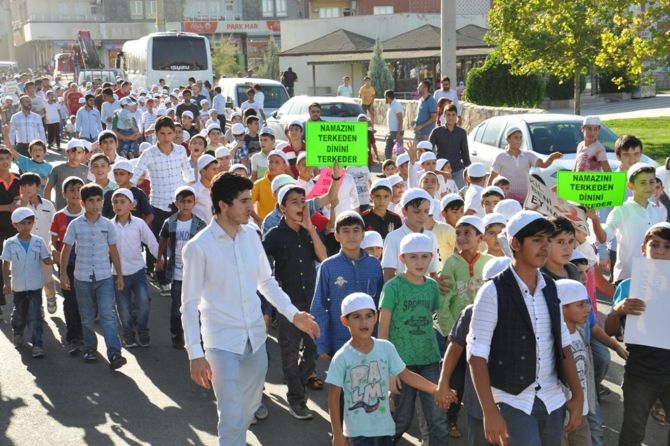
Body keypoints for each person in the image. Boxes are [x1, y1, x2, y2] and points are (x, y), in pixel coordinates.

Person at [181, 172, 320, 445]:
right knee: (232, 414)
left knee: (247, 409)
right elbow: (188, 305)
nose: (251, 207)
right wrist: (195, 353)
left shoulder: (251, 236)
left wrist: (294, 315)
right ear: (223, 205)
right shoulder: (198, 247)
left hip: (256, 341)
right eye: (244, 201)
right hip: (222, 344)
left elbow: (266, 282)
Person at [467, 210, 584, 446]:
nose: (544, 247)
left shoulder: (551, 287)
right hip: (512, 400)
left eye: (547, 240)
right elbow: (476, 355)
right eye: (536, 240)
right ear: (515, 244)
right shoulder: (492, 292)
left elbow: (564, 345)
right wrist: (489, 411)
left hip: (553, 398)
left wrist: (578, 396)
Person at [327, 292, 455, 446]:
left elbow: (407, 375)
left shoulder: (385, 348)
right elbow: (334, 398)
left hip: (385, 430)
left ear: (375, 318)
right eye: (356, 317)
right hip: (357, 433)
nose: (364, 322)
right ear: (344, 320)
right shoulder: (342, 357)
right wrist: (337, 434)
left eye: (368, 315)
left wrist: (436, 390)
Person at [378, 233, 452, 443]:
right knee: (401, 420)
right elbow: (383, 330)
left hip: (429, 360)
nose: (419, 262)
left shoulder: (431, 286)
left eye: (424, 256)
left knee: (438, 420)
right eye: (413, 257)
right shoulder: (392, 287)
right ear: (402, 259)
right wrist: (389, 370)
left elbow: (436, 319)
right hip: (401, 364)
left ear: (431, 258)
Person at [263, 184, 328, 419]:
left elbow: (324, 258)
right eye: (294, 202)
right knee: (289, 352)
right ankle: (296, 399)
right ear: (282, 207)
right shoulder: (274, 235)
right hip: (287, 304)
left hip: (311, 300)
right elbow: (260, 265)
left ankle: (298, 384)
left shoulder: (309, 231)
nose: (301, 206)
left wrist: (311, 230)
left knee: (314, 348)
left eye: (303, 200)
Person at [604, 222, 670, 446]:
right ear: (644, 248)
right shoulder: (628, 286)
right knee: (633, 432)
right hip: (641, 372)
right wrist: (618, 309)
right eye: (655, 245)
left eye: (668, 246)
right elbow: (610, 330)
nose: (661, 251)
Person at [59, 183, 127, 370]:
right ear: (83, 202)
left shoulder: (108, 225)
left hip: (105, 277)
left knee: (107, 314)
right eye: (91, 201)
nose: (95, 204)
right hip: (81, 277)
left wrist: (119, 275)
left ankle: (115, 353)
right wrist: (63, 273)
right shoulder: (75, 225)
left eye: (99, 200)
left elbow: (114, 251)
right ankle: (90, 348)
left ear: (103, 201)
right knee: (87, 316)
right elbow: (66, 249)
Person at [310, 211, 384, 359]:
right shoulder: (328, 266)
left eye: (356, 231)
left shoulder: (374, 264)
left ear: (363, 235)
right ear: (336, 235)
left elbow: (381, 304)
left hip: (372, 340)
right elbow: (319, 306)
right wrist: (322, 343)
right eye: (346, 231)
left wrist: (383, 337)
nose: (351, 236)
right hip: (340, 341)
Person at [592, 162, 667, 284]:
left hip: (653, 277)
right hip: (626, 277)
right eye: (642, 182)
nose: (648, 186)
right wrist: (595, 220)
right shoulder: (621, 210)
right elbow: (603, 237)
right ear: (630, 186)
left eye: (652, 182)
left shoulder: (659, 210)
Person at [156, 186, 207, 348]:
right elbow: (163, 240)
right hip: (177, 271)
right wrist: (159, 259)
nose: (185, 205)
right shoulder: (170, 222)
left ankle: (197, 336)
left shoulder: (200, 224)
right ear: (176, 202)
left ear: (194, 203)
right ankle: (177, 334)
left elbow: (206, 245)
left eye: (189, 201)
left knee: (198, 306)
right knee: (177, 307)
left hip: (195, 272)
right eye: (182, 201)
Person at [111, 188, 159, 348]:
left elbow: (151, 242)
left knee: (144, 301)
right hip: (118, 274)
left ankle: (143, 330)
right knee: (123, 307)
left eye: (123, 202)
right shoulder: (109, 226)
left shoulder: (139, 224)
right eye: (115, 202)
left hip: (138, 271)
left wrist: (160, 259)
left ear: (132, 205)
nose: (118, 205)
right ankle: (128, 333)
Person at [2, 207, 52, 358]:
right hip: (18, 287)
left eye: (29, 222)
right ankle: (17, 331)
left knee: (34, 315)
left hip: (35, 286)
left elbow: (46, 259)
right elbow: (5, 264)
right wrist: (6, 283)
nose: (26, 226)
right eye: (22, 223)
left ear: (33, 223)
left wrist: (56, 257)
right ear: (14, 224)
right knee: (19, 315)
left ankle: (37, 344)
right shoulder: (10, 243)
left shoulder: (39, 242)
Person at [555, 279, 596, 446]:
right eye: (580, 305)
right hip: (560, 414)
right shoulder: (554, 340)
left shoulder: (580, 332)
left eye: (586, 303)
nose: (588, 308)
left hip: (581, 411)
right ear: (562, 308)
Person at [50, 176, 85, 353]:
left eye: (79, 189)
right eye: (71, 189)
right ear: (64, 194)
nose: (76, 193)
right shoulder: (59, 216)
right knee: (71, 301)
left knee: (85, 302)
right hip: (68, 266)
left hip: (87, 265)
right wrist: (54, 252)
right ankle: (73, 338)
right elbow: (53, 240)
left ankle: (85, 337)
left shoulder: (90, 213)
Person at [488, 126, 562, 203]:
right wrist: (488, 194)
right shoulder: (501, 157)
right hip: (507, 198)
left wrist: (551, 158)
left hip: (526, 198)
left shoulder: (528, 155)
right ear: (508, 139)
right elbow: (492, 176)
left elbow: (543, 164)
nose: (519, 140)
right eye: (516, 137)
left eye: (520, 137)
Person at [18, 173, 57, 314]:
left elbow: (55, 225)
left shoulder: (47, 204)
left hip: (45, 248)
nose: (26, 188)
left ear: (37, 186)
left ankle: (51, 297)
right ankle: (37, 307)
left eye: (30, 185)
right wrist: (22, 204)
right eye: (23, 185)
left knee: (48, 279)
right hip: (26, 250)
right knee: (33, 282)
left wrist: (55, 246)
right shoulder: (19, 204)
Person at [428, 104, 469, 190]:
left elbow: (465, 153)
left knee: (460, 195)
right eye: (448, 115)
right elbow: (428, 150)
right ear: (444, 116)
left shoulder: (461, 133)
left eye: (453, 115)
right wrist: (433, 165)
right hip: (441, 170)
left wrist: (469, 169)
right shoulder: (436, 132)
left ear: (457, 116)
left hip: (457, 169)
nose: (451, 117)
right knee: (441, 195)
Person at [45, 139, 89, 210]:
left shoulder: (87, 170)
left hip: (81, 211)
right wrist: (48, 207)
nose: (76, 155)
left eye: (79, 152)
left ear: (83, 154)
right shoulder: (58, 169)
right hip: (61, 210)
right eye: (73, 152)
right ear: (66, 153)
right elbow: (48, 189)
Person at [192, 154, 218, 223]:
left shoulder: (219, 189)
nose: (216, 172)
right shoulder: (194, 191)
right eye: (213, 169)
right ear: (203, 171)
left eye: (216, 169)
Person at [384, 90, 404, 161]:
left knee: (397, 152)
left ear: (387, 97)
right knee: (388, 151)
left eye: (385, 97)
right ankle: (389, 166)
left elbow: (400, 120)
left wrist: (398, 134)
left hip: (396, 132)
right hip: (392, 132)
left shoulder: (396, 105)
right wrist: (388, 132)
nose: (384, 99)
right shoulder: (391, 105)